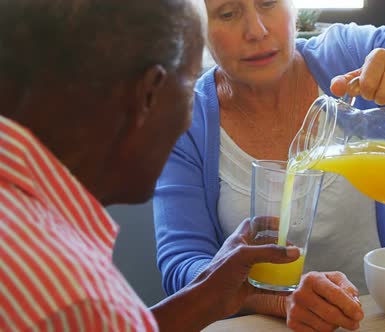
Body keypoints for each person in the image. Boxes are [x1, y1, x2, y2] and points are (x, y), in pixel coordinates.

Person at [153, 0, 385, 331]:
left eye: (268, 3)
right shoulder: (185, 118)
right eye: (228, 13)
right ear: (195, 26)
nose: (257, 30)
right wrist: (276, 298)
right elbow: (181, 265)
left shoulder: (349, 55)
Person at [0, 0, 304, 331]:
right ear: (148, 96)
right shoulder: (78, 299)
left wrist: (204, 295)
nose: (192, 116)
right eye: (189, 90)